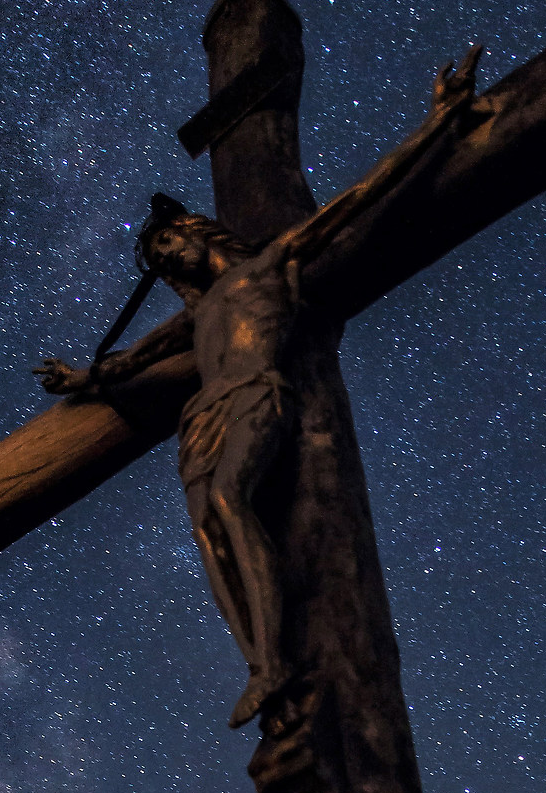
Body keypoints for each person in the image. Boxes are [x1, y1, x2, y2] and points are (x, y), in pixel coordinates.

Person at [37, 47, 486, 728]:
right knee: (208, 531)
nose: (165, 261)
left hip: (255, 392)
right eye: (156, 260)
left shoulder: (271, 266)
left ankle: (278, 661)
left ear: (190, 230)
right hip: (202, 417)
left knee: (230, 497)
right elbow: (128, 362)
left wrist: (438, 123)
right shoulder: (197, 315)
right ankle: (259, 662)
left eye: (166, 247)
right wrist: (83, 377)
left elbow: (362, 197)